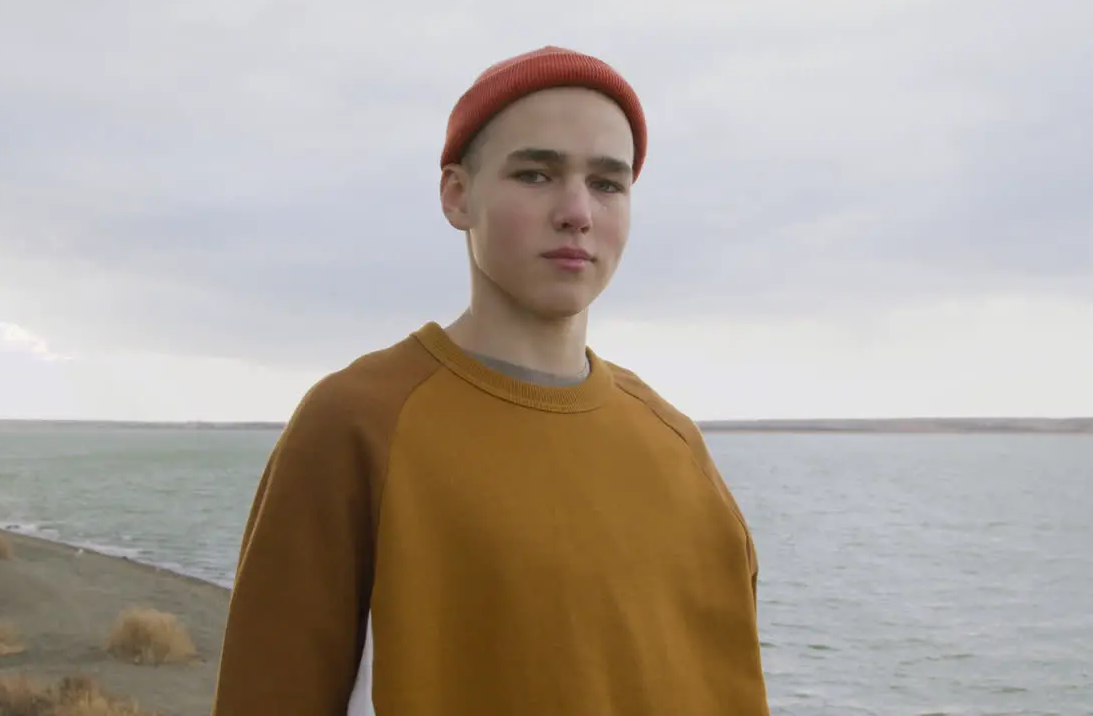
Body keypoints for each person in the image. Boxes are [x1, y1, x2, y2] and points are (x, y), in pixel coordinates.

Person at [211, 45, 770, 715]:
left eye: (608, 183)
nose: (576, 211)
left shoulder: (677, 448)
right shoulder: (358, 423)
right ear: (458, 195)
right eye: (535, 175)